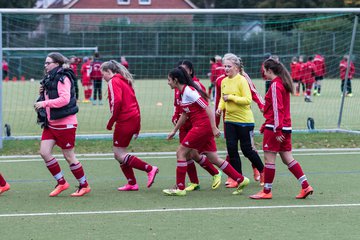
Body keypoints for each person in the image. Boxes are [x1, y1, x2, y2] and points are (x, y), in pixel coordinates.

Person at [164, 66, 250, 196]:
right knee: (212, 157)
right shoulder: (183, 92)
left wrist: (214, 127)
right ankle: (241, 179)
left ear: (175, 80)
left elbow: (207, 107)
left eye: (169, 80)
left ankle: (180, 188)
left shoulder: (189, 91)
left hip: (202, 126)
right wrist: (174, 131)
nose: (168, 82)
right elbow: (185, 114)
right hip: (202, 126)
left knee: (181, 152)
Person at [250, 58, 314, 200]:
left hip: (276, 128)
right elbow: (278, 109)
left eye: (264, 70)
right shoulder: (282, 83)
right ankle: (305, 186)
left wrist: (277, 129)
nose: (263, 72)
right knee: (287, 158)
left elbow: (278, 109)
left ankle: (266, 191)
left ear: (270, 71)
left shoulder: (275, 85)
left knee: (269, 159)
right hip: (284, 126)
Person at [34, 52, 91, 197]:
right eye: (45, 63)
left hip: (65, 124)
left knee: (69, 156)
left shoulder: (63, 77)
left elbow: (65, 99)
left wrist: (44, 103)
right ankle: (61, 182)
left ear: (57, 64)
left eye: (48, 63)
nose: (45, 65)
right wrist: (42, 93)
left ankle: (84, 185)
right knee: (44, 152)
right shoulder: (50, 77)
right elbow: (51, 95)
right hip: (51, 124)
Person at [100, 60, 159, 191]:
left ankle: (150, 169)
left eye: (102, 74)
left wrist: (111, 122)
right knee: (120, 153)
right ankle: (132, 183)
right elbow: (135, 102)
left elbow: (118, 102)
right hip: (133, 118)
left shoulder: (113, 81)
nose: (102, 77)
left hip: (125, 120)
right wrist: (138, 126)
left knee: (118, 153)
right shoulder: (125, 81)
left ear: (109, 72)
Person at [216, 53, 264, 188]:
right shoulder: (223, 81)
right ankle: (239, 178)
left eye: (229, 66)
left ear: (236, 67)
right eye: (224, 66)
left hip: (244, 121)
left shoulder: (242, 80)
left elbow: (247, 100)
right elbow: (222, 98)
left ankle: (262, 170)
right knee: (231, 149)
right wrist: (220, 108)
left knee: (247, 149)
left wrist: (231, 98)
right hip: (229, 120)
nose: (226, 69)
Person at [174, 60, 222, 192]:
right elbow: (179, 107)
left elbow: (205, 107)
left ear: (190, 71)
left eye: (184, 70)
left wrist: (213, 127)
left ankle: (217, 174)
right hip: (185, 125)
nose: (182, 73)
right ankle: (193, 182)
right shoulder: (178, 87)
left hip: (197, 125)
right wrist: (175, 118)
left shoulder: (194, 87)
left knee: (204, 155)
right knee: (186, 154)